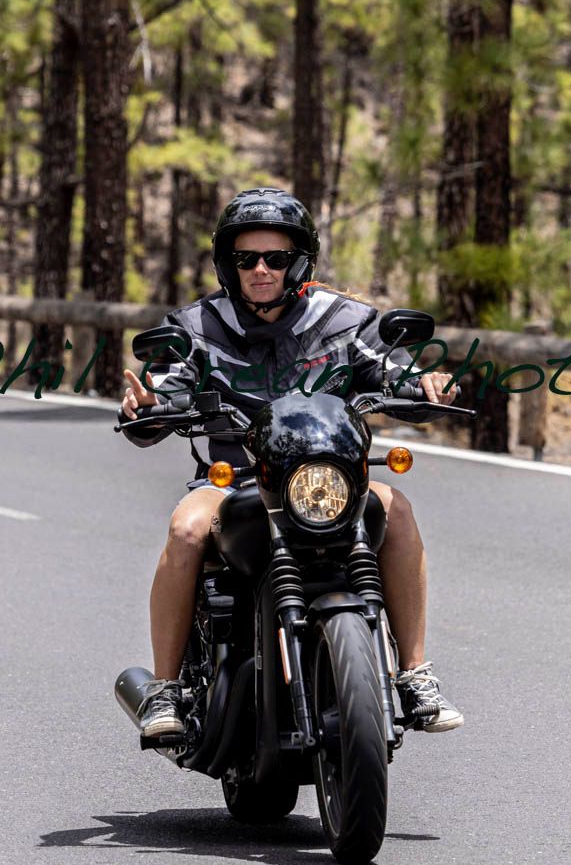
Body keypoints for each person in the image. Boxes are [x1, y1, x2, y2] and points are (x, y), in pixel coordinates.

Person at [117, 187, 464, 738]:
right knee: (186, 529)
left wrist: (422, 386)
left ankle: (415, 674)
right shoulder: (196, 327)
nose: (260, 269)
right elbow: (164, 387)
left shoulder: (346, 321)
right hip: (232, 485)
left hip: (327, 482)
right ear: (227, 264)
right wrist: (147, 404)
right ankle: (166, 690)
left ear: (298, 262)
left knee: (396, 509)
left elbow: (392, 371)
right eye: (246, 258)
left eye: (275, 258)